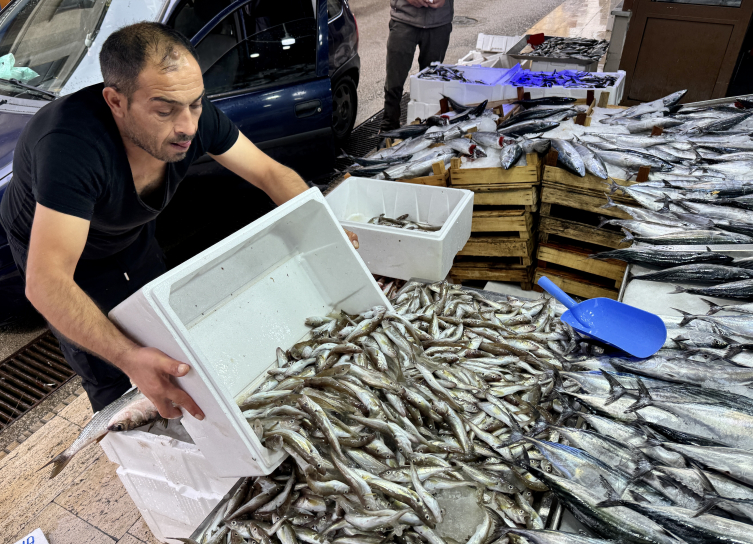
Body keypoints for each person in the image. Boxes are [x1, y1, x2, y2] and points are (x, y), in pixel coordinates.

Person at [0, 23, 358, 419]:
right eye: (164, 110)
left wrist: (326, 229)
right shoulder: (71, 147)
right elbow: (46, 283)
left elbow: (271, 173)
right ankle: (128, 431)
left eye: (195, 103)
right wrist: (128, 357)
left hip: (129, 229)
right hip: (60, 245)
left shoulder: (192, 118)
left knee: (166, 324)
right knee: (108, 364)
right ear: (116, 101)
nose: (187, 126)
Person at [381, 0, 454, 132]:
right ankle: (388, 127)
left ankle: (427, 129)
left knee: (430, 84)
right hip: (404, 19)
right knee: (394, 81)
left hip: (439, 22)